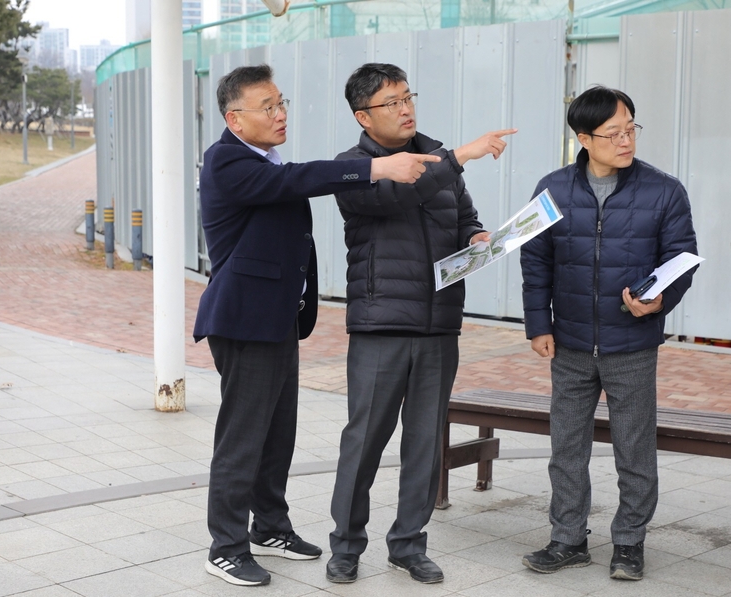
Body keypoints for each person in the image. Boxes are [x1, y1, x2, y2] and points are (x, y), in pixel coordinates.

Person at [193, 64, 441, 587]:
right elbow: (296, 180)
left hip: (275, 319)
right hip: (243, 320)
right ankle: (226, 547)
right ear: (235, 119)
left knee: (276, 434)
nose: (281, 114)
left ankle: (270, 527)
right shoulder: (226, 159)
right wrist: (377, 168)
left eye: (281, 103)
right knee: (243, 438)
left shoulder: (263, 159)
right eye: (268, 107)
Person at [325, 62, 516, 585]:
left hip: (438, 325)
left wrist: (476, 238)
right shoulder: (352, 168)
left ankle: (408, 544)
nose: (406, 109)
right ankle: (346, 546)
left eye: (408, 97)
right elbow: (398, 194)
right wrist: (459, 157)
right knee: (364, 440)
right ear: (363, 116)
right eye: (392, 102)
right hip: (381, 325)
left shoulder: (438, 159)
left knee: (426, 442)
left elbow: (464, 217)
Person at [520, 85, 698, 581]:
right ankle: (567, 538)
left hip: (632, 344)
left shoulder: (664, 190)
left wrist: (661, 300)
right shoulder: (552, 189)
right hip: (570, 344)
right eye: (613, 133)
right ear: (584, 138)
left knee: (634, 449)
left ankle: (629, 543)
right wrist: (538, 325)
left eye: (631, 129)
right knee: (566, 448)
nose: (626, 141)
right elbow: (536, 261)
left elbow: (681, 259)